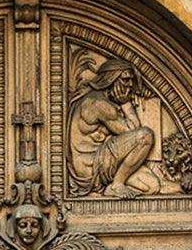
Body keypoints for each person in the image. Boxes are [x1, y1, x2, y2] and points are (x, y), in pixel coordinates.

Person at [67, 57, 159, 197]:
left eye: (131, 81)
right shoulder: (99, 104)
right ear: (111, 79)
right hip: (92, 166)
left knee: (152, 186)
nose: (130, 85)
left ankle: (114, 184)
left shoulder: (98, 99)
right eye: (125, 80)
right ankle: (117, 185)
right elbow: (135, 132)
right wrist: (126, 103)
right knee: (146, 136)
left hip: (102, 163)